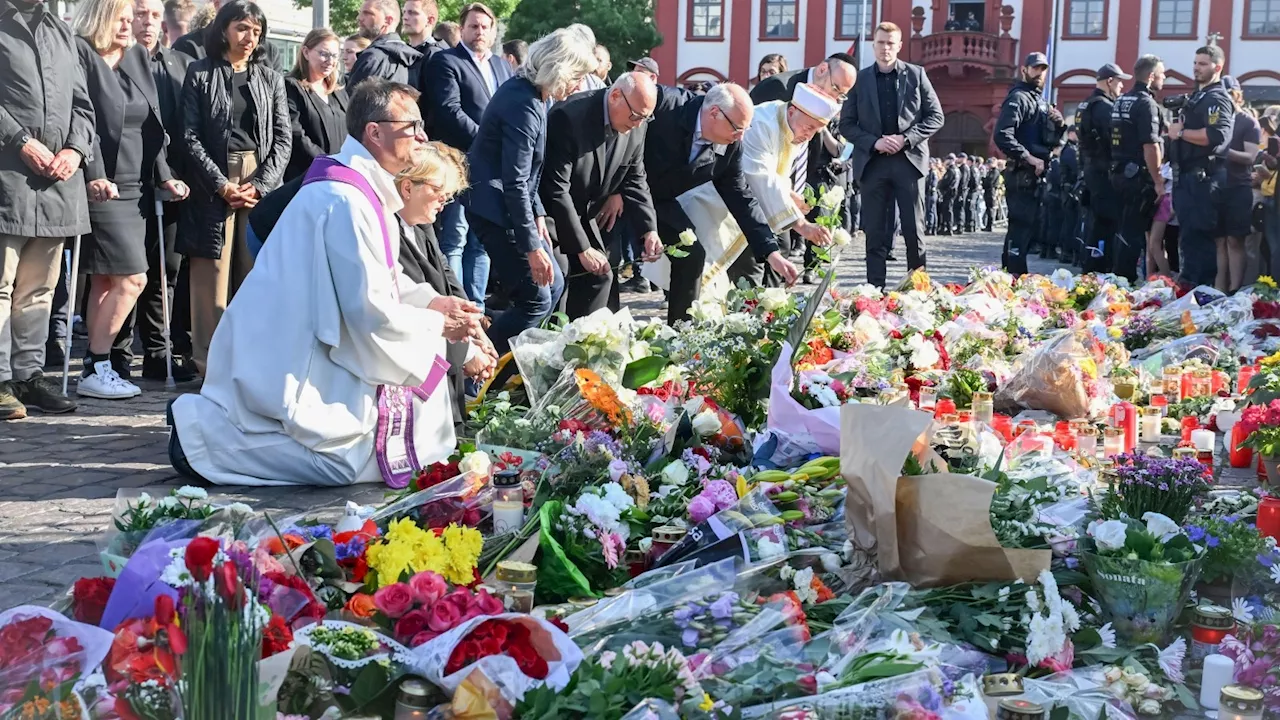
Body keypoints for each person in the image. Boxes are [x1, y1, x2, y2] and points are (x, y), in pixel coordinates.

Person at [168, 79, 480, 487]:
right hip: (292, 353)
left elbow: (383, 277)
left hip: (315, 338)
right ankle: (199, 439)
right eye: (413, 127)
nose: (422, 138)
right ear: (375, 131)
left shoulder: (364, 188)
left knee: (396, 438)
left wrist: (431, 303)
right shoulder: (346, 198)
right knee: (344, 463)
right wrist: (437, 324)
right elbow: (369, 311)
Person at [74, 0, 188, 399]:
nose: (129, 26)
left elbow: (150, 124)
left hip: (136, 187)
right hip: (100, 182)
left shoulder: (138, 57)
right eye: (121, 19)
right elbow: (81, 123)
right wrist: (94, 175)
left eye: (131, 19)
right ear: (100, 18)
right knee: (134, 278)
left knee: (107, 281)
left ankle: (97, 368)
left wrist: (165, 176)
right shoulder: (82, 56)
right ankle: (96, 363)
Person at [463, 27, 596, 354]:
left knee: (555, 284)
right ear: (560, 69)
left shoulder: (531, 95)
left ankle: (509, 354)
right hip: (493, 209)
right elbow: (516, 180)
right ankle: (478, 362)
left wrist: (537, 216)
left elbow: (527, 174)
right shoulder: (524, 104)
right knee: (535, 298)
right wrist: (532, 246)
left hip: (505, 205)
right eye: (577, 76)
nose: (580, 85)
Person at [179, 0, 291, 375]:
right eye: (242, 28)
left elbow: (282, 139)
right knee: (211, 275)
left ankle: (248, 365)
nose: (250, 37)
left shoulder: (270, 76)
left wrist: (260, 184)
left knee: (252, 271)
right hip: (214, 179)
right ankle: (208, 366)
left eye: (256, 31)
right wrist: (220, 183)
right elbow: (189, 136)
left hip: (257, 174)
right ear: (224, 29)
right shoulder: (200, 73)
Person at [0, 0, 92, 419]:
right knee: (1, 285)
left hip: (57, 180)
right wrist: (18, 139)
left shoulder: (61, 31)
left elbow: (82, 105)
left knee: (39, 289)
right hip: (8, 177)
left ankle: (28, 375)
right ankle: (1, 379)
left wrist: (76, 148)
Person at [639, 83, 799, 322]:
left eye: (745, 129)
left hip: (662, 200)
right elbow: (624, 138)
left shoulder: (731, 144)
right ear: (714, 112)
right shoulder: (664, 104)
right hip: (624, 190)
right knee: (602, 266)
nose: (740, 136)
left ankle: (681, 333)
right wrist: (615, 189)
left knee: (692, 255)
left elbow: (741, 197)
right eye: (737, 127)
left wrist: (771, 252)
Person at [541, 73, 662, 318]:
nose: (638, 123)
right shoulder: (569, 117)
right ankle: (555, 343)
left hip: (587, 212)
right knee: (561, 276)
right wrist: (582, 248)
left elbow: (635, 178)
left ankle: (585, 345)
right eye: (636, 116)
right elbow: (556, 189)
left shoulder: (638, 122)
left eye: (646, 117)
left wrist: (649, 229)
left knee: (601, 275)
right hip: (551, 215)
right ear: (616, 96)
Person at [394, 143, 496, 430]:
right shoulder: (388, 233)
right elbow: (409, 309)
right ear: (407, 187)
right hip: (416, 378)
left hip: (444, 364)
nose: (443, 202)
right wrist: (467, 353)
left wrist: (472, 323)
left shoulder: (420, 223)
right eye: (440, 192)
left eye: (448, 197)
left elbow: (446, 277)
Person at [839, 22, 944, 288]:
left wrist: (905, 139)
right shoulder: (860, 80)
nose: (885, 48)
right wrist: (874, 142)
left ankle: (917, 289)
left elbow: (936, 117)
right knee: (874, 231)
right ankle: (875, 290)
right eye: (881, 42)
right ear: (873, 45)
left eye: (890, 43)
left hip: (908, 163)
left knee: (913, 229)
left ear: (899, 46)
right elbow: (846, 124)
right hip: (873, 163)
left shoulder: (917, 75)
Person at [425, 1, 512, 310]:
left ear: (492, 31)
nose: (479, 32)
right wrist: (488, 140)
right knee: (455, 238)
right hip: (459, 163)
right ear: (461, 29)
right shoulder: (446, 61)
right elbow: (450, 110)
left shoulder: (502, 65)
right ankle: (456, 306)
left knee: (483, 242)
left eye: (485, 27)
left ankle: (477, 308)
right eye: (473, 26)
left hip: (493, 167)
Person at [714, 84, 839, 289]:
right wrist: (801, 225)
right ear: (792, 111)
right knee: (742, 270)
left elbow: (776, 171)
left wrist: (789, 194)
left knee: (766, 258)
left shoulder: (793, 123)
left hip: (753, 204)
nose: (809, 136)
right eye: (808, 128)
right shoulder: (763, 123)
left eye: (815, 131)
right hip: (726, 203)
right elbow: (760, 176)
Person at [130, 0, 196, 382]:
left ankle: (158, 351)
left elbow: (186, 125)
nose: (148, 22)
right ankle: (117, 354)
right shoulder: (117, 62)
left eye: (155, 16)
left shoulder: (178, 65)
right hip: (128, 178)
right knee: (126, 270)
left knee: (166, 269)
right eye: (141, 14)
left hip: (172, 180)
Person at [749, 52, 855, 283]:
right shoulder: (773, 97)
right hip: (744, 194)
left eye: (842, 95)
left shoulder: (803, 125)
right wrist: (801, 224)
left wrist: (789, 193)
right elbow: (760, 168)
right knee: (759, 256)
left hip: (780, 190)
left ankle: (768, 307)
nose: (836, 97)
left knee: (781, 246)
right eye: (836, 88)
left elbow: (785, 162)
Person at [993, 52, 1066, 276]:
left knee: (1025, 230)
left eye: (1043, 69)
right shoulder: (1019, 98)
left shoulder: (1039, 100)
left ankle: (1010, 278)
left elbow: (1046, 139)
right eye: (1035, 68)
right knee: (1020, 229)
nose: (1039, 73)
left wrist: (1060, 125)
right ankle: (1016, 278)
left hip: (1034, 175)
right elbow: (1002, 135)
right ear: (1024, 70)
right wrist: (1029, 157)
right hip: (1022, 173)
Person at [1169, 44, 1234, 288]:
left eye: (1203, 64)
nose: (1197, 68)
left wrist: (1182, 132)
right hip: (1187, 178)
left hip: (1203, 179)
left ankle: (1199, 299)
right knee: (1188, 240)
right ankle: (1188, 293)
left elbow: (1216, 136)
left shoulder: (1217, 98)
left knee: (1199, 242)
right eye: (1195, 63)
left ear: (1217, 67)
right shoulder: (1199, 95)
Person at [1108, 55, 1164, 283]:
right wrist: (1158, 179)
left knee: (1121, 228)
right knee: (1133, 232)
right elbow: (1150, 144)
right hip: (1137, 176)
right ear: (1151, 77)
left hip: (1117, 171)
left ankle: (1117, 278)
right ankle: (1125, 282)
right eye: (1162, 74)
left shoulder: (1121, 100)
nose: (1164, 78)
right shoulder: (1146, 103)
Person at [1076, 62, 1128, 271]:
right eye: (1119, 82)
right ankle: (1099, 269)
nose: (1122, 87)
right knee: (1106, 224)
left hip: (1090, 168)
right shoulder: (1105, 107)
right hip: (1103, 170)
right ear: (1110, 81)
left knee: (1095, 221)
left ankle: (1091, 265)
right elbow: (1115, 140)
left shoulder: (1086, 104)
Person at [284, 28, 349, 182]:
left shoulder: (338, 90)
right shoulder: (292, 87)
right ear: (306, 52)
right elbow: (296, 133)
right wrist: (325, 164)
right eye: (323, 54)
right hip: (306, 176)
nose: (330, 61)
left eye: (334, 55)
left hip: (340, 174)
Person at [1217, 76, 1260, 292]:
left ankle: (1235, 288)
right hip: (1216, 186)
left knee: (1235, 240)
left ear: (1238, 96)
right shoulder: (1216, 119)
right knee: (1219, 241)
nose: (1225, 98)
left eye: (1229, 94)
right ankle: (1219, 289)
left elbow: (1251, 157)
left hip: (1238, 187)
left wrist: (1224, 151)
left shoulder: (1248, 121)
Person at [170, 0, 281, 71]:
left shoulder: (269, 52)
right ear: (217, 4)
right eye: (237, 3)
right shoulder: (187, 47)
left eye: (249, 4)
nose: (244, 10)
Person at [347, 0, 422, 87]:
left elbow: (356, 98)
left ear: (388, 20)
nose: (359, 18)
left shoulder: (374, 57)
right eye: (360, 13)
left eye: (367, 13)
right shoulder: (410, 58)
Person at [1058, 127, 1081, 262]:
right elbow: (1076, 168)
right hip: (1070, 192)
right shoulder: (1070, 150)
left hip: (1069, 191)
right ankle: (1068, 252)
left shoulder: (1071, 149)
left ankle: (1067, 252)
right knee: (1071, 224)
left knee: (1070, 223)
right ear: (1071, 134)